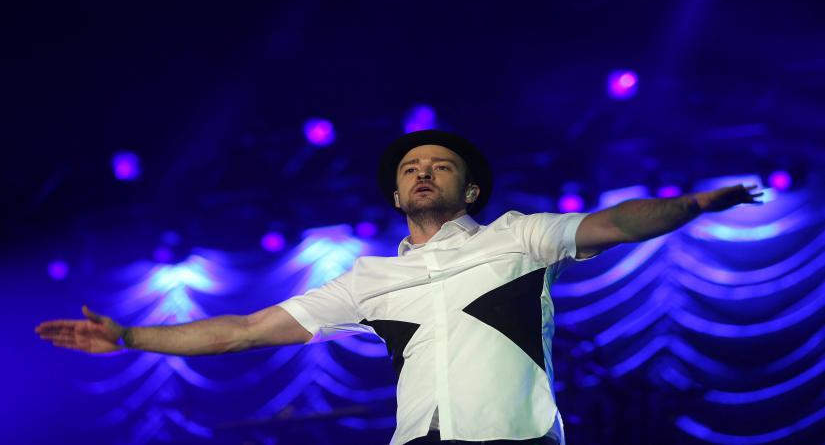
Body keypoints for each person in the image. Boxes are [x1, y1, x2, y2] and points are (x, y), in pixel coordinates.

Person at [36, 130, 763, 445]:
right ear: (393, 195)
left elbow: (614, 225)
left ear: (470, 187)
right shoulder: (367, 281)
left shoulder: (517, 236)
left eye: (440, 165)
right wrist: (131, 336)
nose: (422, 171)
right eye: (410, 166)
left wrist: (693, 205)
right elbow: (245, 330)